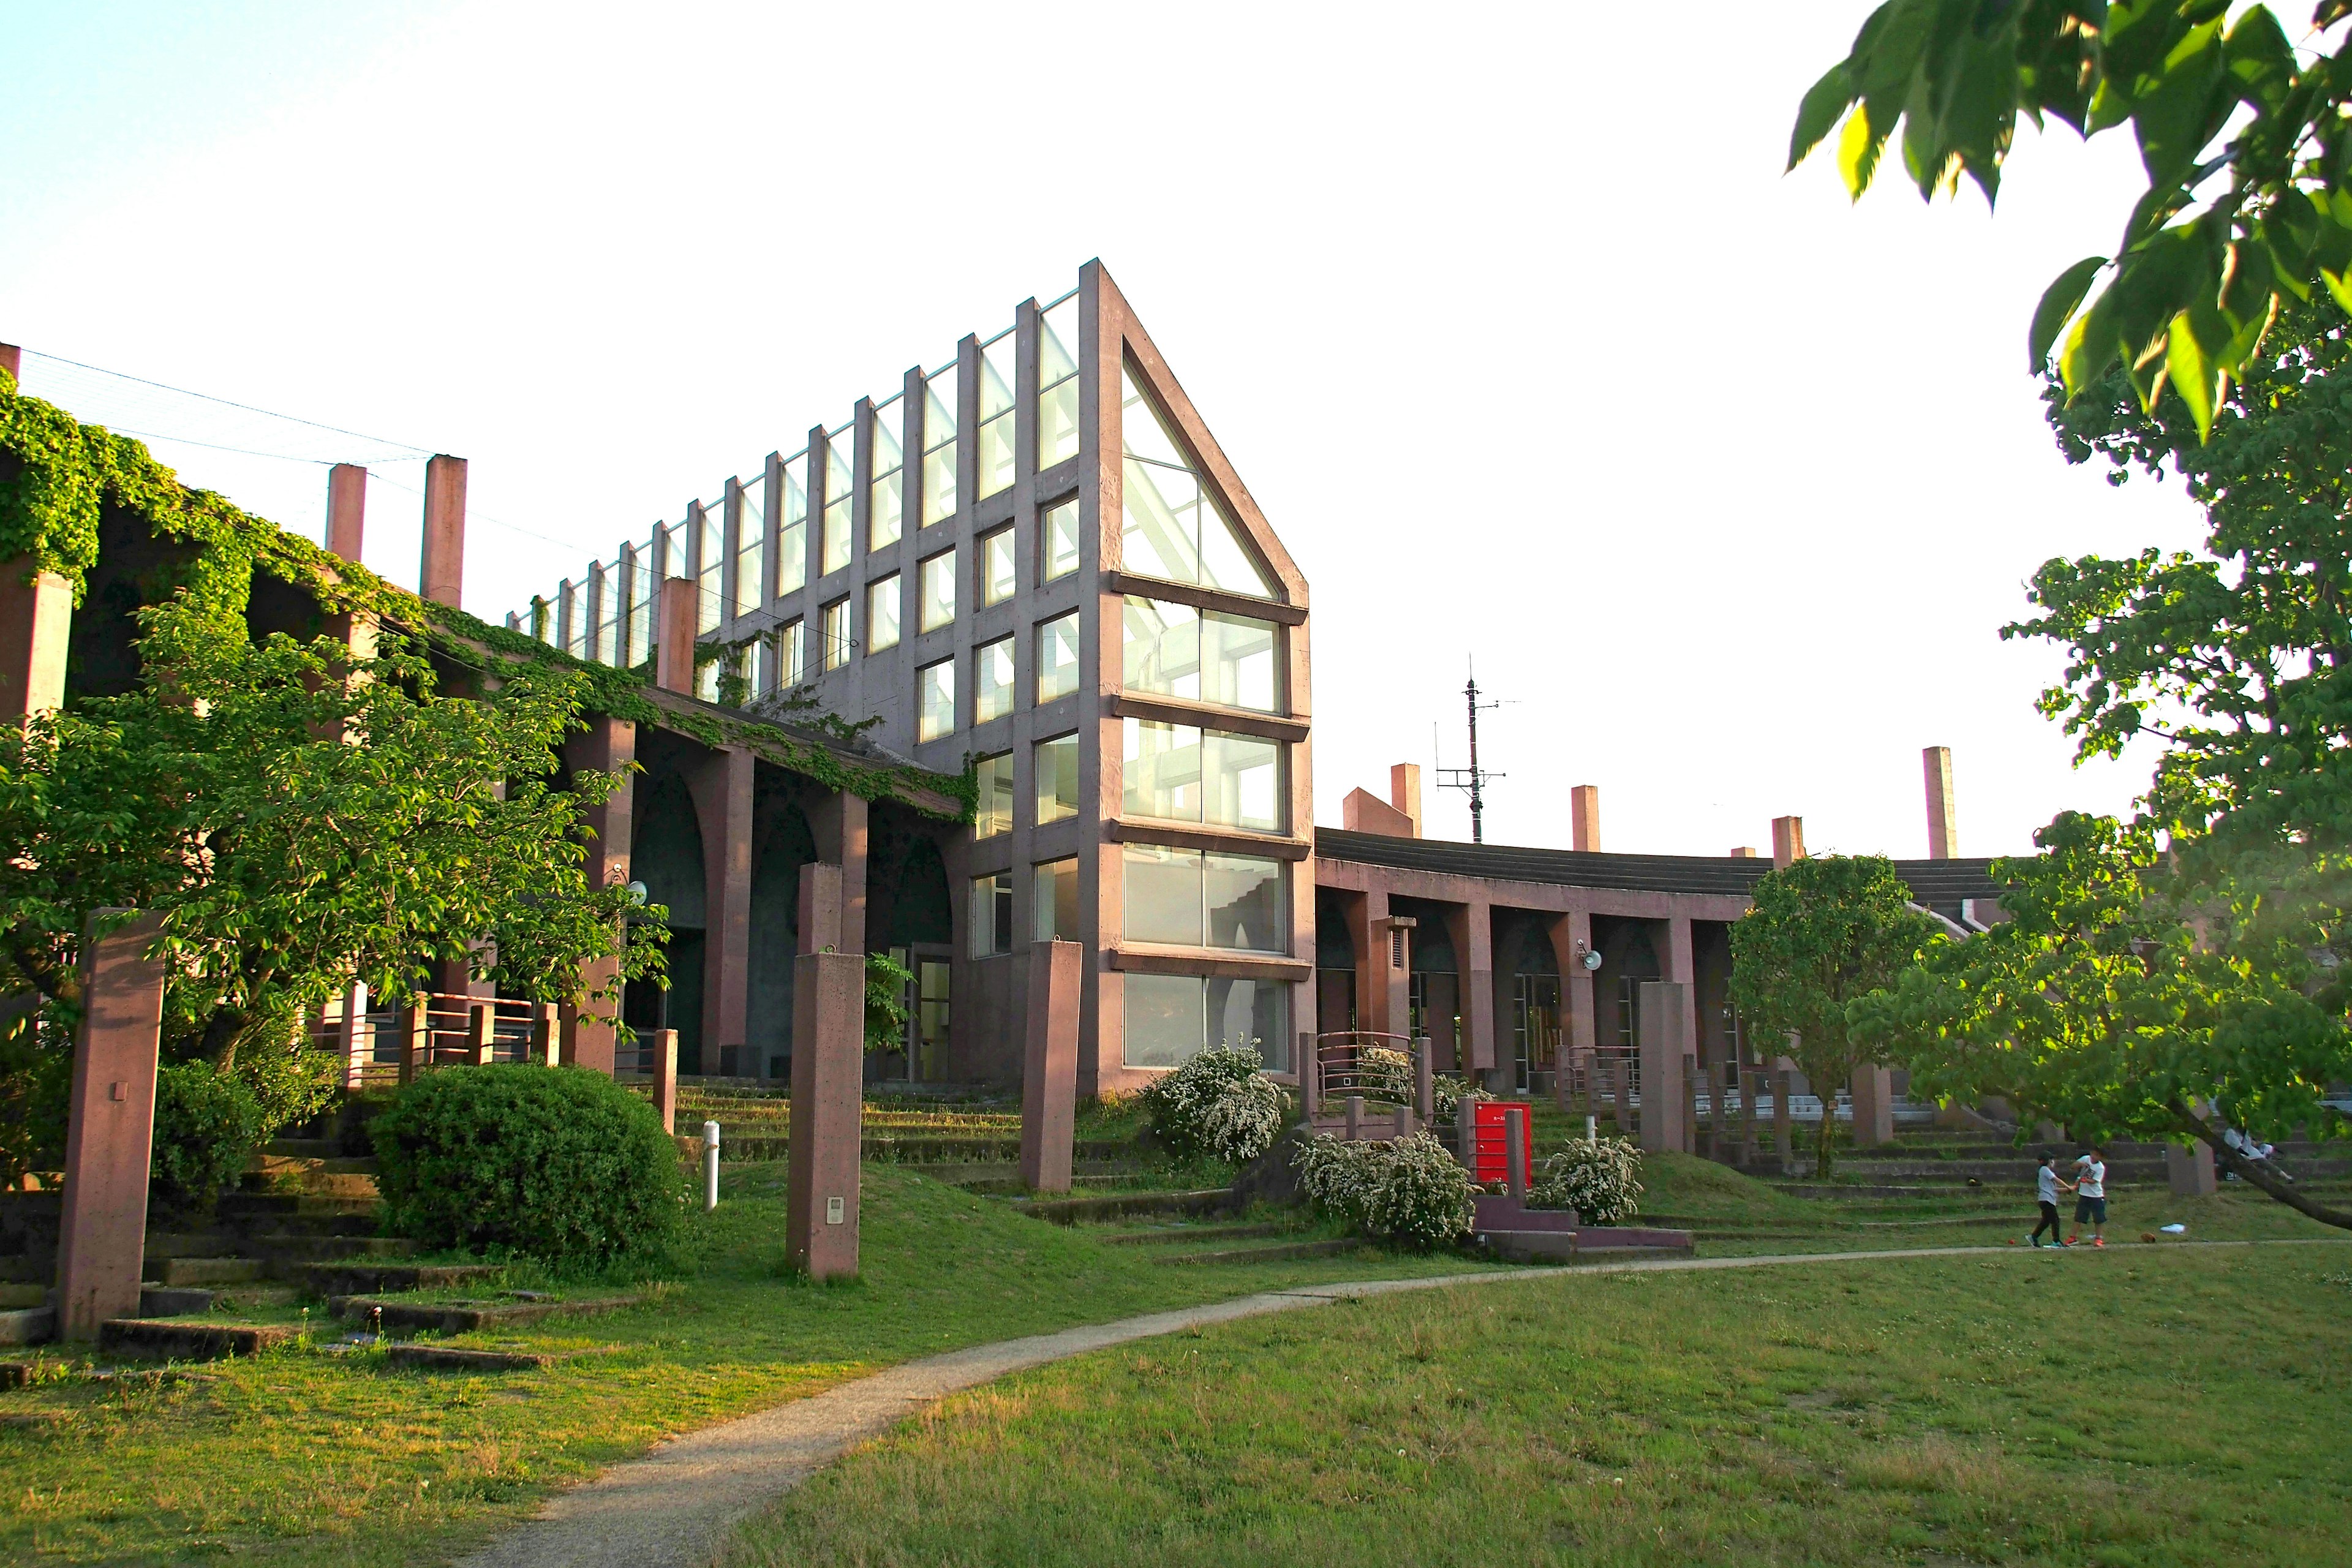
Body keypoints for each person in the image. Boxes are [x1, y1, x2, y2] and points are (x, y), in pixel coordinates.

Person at [2029, 1153, 2073, 1248]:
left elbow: (2055, 1189)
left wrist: (2070, 1189)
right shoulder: (2044, 1170)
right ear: (2049, 1161)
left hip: (2048, 1199)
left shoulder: (2048, 1172)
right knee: (2055, 1220)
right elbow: (2057, 1180)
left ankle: (2034, 1237)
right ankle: (2056, 1241)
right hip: (2046, 1200)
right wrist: (2068, 1186)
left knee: (2046, 1221)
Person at [2069, 1146, 2108, 1248]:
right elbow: (2073, 1166)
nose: (2093, 1157)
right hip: (2084, 1194)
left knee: (2098, 1218)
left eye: (2097, 1155)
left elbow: (2095, 1181)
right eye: (2093, 1154)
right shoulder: (2085, 1159)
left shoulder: (2100, 1168)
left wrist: (2085, 1180)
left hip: (2096, 1195)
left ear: (2101, 1157)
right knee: (2079, 1217)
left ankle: (2098, 1238)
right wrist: (2080, 1164)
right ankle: (2072, 1237)